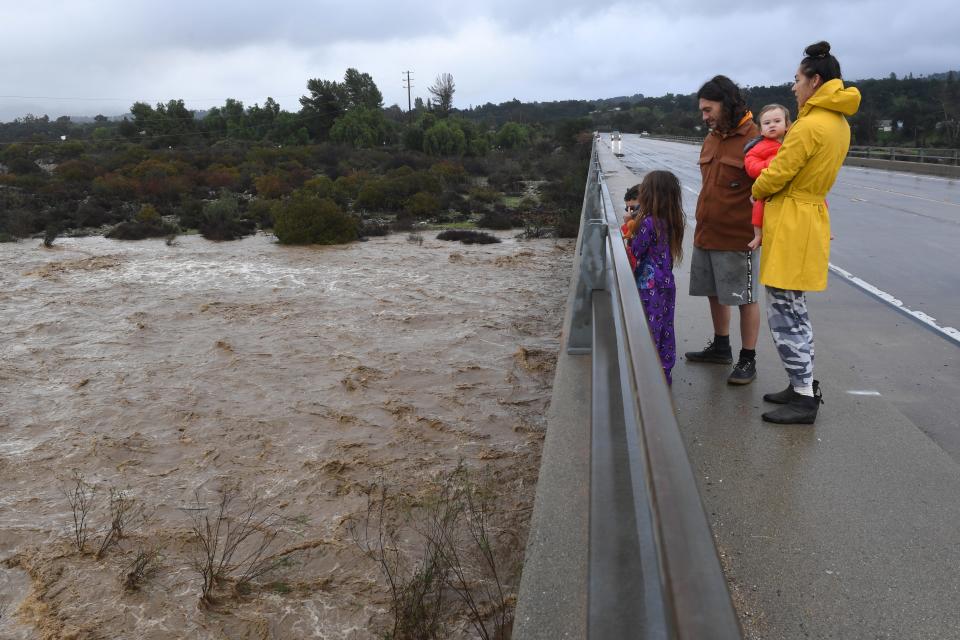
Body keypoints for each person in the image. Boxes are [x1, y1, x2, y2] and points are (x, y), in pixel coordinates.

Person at [752, 41, 861, 424]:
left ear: (815, 81)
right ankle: (800, 382)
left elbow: (779, 172)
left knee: (785, 311)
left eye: (797, 80)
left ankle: (802, 396)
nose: (794, 87)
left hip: (792, 218)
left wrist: (758, 187)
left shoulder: (808, 126)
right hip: (809, 215)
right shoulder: (838, 122)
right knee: (794, 307)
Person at [686, 75, 761, 385]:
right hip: (706, 231)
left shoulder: (755, 138)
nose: (704, 117)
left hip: (738, 236)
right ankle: (721, 346)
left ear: (726, 103)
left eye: (708, 109)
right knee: (714, 293)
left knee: (745, 297)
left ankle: (748, 359)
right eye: (702, 111)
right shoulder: (713, 137)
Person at [630, 171, 686, 384]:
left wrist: (631, 227)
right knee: (664, 325)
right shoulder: (671, 220)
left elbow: (637, 251)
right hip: (666, 283)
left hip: (648, 284)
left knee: (649, 326)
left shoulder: (647, 223)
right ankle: (664, 370)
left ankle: (647, 374)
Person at [744, 104, 791, 250]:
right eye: (767, 123)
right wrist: (770, 164)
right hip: (767, 187)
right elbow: (751, 166)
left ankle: (824, 227)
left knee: (815, 195)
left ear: (787, 125)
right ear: (761, 129)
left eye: (777, 121)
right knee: (759, 204)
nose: (772, 125)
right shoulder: (759, 147)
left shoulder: (792, 143)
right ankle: (758, 235)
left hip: (788, 189)